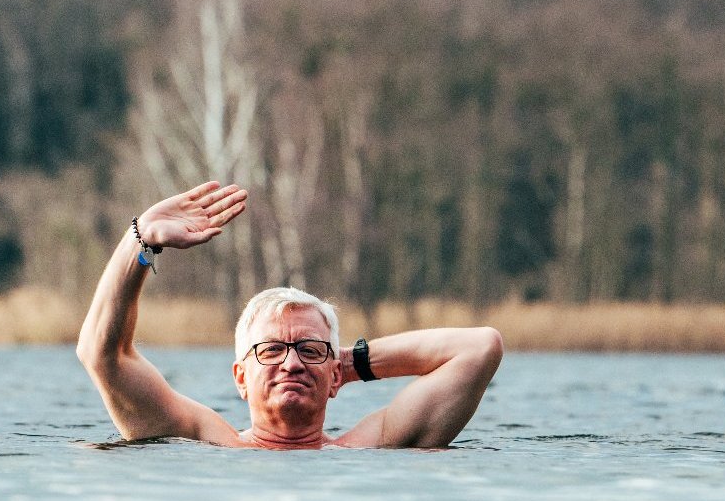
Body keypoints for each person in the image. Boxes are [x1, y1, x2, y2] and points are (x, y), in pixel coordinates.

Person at [77, 181, 503, 450]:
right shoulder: (206, 442)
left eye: (309, 350)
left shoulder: (369, 449)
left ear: (335, 376)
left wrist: (340, 364)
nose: (292, 362)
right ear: (240, 377)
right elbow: (103, 355)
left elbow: (479, 348)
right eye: (271, 350)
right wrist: (140, 241)